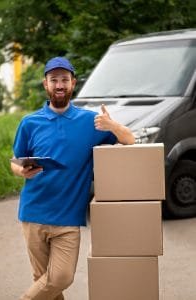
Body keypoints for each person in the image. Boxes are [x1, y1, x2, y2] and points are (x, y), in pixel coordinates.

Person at [11, 56, 135, 300]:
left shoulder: (90, 122)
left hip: (67, 219)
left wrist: (111, 126)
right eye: (54, 80)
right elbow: (16, 161)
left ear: (73, 83)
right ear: (45, 84)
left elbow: (130, 140)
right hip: (33, 214)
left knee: (60, 278)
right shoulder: (29, 123)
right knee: (45, 284)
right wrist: (21, 170)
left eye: (64, 80)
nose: (59, 85)